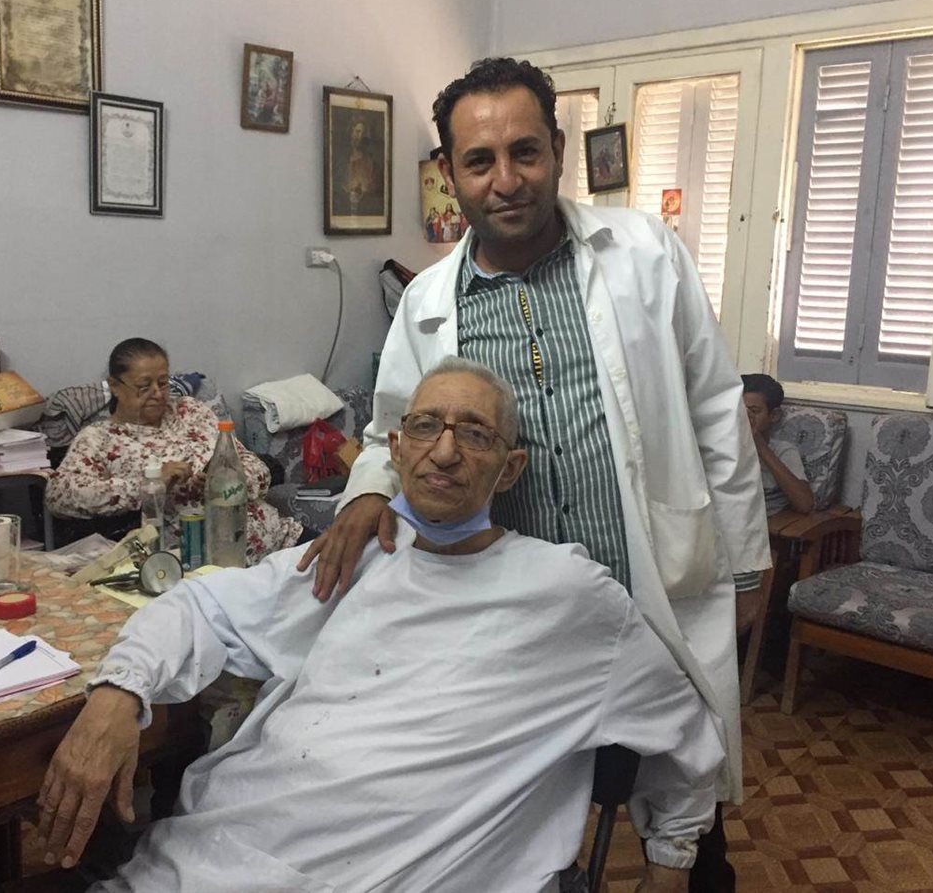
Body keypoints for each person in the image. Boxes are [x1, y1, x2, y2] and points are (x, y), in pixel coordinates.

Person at [298, 58, 770, 893]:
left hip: (653, 578)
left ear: (557, 148)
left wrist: (747, 567)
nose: (507, 180)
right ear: (450, 173)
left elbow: (715, 411)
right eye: (479, 161)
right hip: (520, 610)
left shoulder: (644, 255)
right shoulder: (430, 303)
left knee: (686, 798)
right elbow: (389, 432)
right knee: (521, 813)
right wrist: (368, 488)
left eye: (526, 152)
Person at [37, 360, 723, 893]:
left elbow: (684, 727)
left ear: (510, 468)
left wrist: (670, 858)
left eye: (474, 434)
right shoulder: (355, 559)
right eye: (425, 427)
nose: (444, 452)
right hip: (220, 855)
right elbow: (197, 606)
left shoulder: (571, 597)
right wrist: (118, 694)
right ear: (396, 449)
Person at [46, 337, 302, 564]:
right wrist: (151, 484)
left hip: (278, 539)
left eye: (163, 383)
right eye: (144, 386)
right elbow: (59, 496)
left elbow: (250, 462)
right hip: (200, 563)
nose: (158, 394)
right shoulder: (99, 438)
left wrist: (225, 479)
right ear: (115, 385)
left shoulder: (191, 410)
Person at [741, 374, 813, 517]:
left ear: (774, 415)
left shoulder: (782, 451)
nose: (744, 418)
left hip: (766, 523)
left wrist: (759, 444)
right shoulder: (722, 446)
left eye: (754, 411)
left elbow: (805, 504)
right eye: (740, 411)